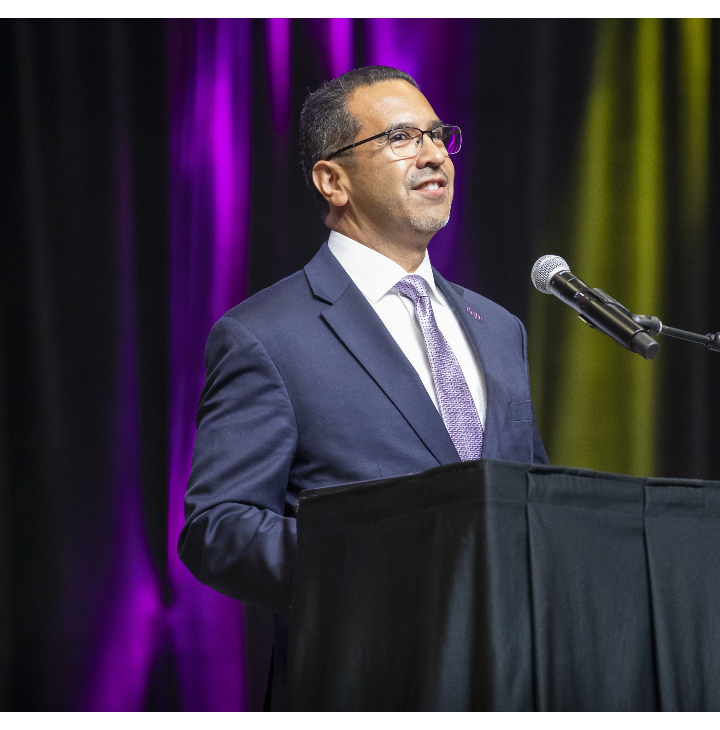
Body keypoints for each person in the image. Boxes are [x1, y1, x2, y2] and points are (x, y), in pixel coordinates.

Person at [178, 65, 549, 709]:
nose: (433, 152)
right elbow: (220, 528)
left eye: (439, 134)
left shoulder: (501, 329)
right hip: (365, 684)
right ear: (332, 179)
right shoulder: (266, 335)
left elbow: (533, 500)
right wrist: (383, 569)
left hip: (516, 686)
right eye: (403, 137)